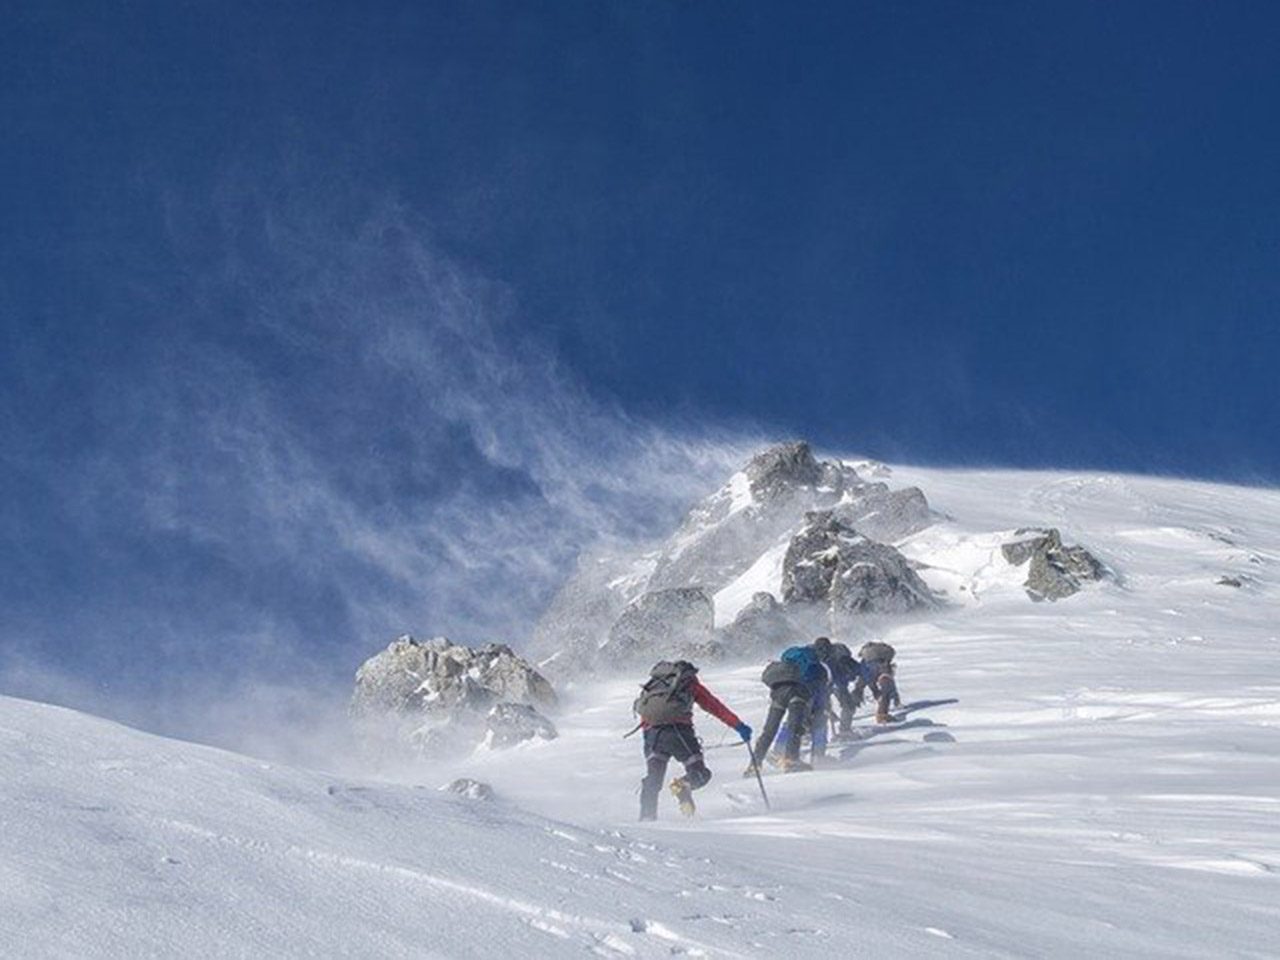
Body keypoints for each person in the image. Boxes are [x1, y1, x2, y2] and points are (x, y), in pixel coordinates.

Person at [632, 660, 751, 821]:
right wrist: (739, 725)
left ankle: (647, 818)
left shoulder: (654, 684)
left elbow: (644, 713)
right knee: (700, 773)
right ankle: (684, 784)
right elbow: (714, 706)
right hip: (680, 734)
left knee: (653, 779)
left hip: (653, 735)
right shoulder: (689, 683)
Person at [748, 641, 830, 774]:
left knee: (769, 730)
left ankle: (755, 764)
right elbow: (819, 693)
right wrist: (821, 710)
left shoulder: (791, 656)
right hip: (798, 693)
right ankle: (792, 760)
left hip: (778, 692)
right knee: (796, 727)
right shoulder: (818, 669)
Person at [852, 640, 901, 723]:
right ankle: (882, 715)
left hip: (867, 671)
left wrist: (873, 690)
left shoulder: (866, 658)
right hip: (881, 669)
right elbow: (889, 682)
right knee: (886, 689)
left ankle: (849, 711)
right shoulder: (884, 656)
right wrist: (895, 695)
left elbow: (864, 676)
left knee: (859, 689)